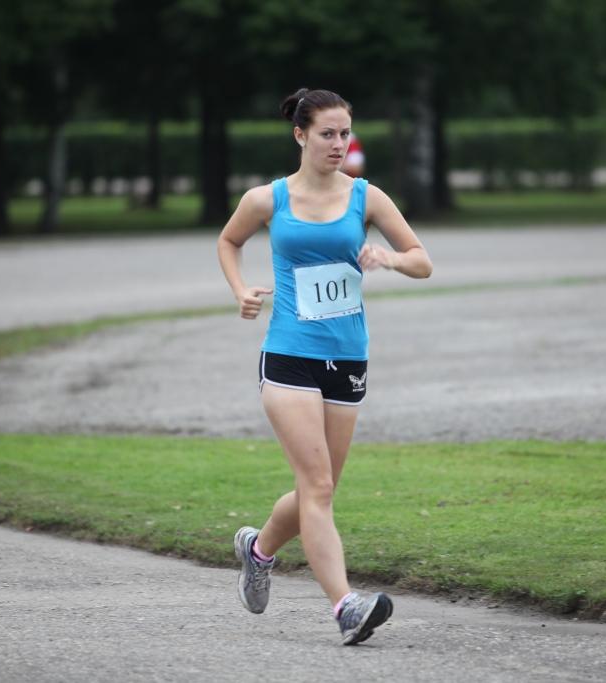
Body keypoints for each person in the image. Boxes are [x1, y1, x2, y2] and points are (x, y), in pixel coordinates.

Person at [217, 88, 432, 646]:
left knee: (322, 488)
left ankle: (258, 550)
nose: (339, 144)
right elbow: (229, 240)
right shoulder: (269, 199)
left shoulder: (367, 197)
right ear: (300, 135)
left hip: (348, 357)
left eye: (345, 134)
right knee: (316, 485)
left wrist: (389, 257)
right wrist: (241, 290)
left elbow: (423, 261)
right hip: (288, 353)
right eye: (328, 134)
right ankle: (345, 606)